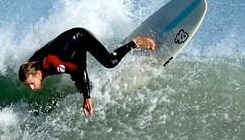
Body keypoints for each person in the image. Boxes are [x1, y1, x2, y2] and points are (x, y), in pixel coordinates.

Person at [18, 28, 157, 114]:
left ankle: (134, 43)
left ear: (38, 73)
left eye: (31, 83)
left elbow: (79, 69)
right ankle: (91, 90)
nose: (31, 87)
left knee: (110, 62)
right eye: (28, 85)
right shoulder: (32, 63)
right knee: (84, 87)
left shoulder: (53, 63)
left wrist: (87, 97)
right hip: (68, 48)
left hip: (80, 38)